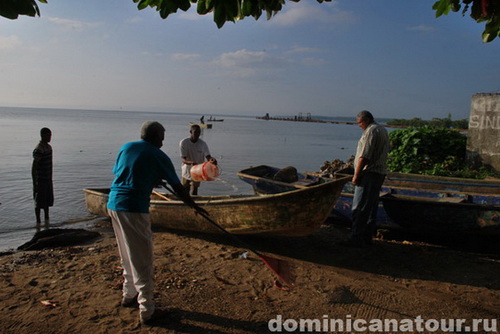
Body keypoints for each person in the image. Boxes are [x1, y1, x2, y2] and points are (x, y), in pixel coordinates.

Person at [107, 121, 205, 326]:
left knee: (127, 254)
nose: (163, 140)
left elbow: (123, 173)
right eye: (161, 136)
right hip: (133, 208)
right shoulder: (159, 156)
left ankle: (128, 295)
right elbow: (179, 189)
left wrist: (152, 178)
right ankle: (147, 310)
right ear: (153, 136)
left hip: (113, 205)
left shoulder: (126, 147)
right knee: (142, 259)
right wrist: (194, 206)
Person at [350, 110, 390, 246]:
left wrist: (356, 176)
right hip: (379, 173)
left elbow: (364, 156)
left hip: (368, 174)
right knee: (371, 207)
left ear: (366, 120)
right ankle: (367, 238)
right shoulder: (382, 130)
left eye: (359, 122)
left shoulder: (370, 131)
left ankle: (356, 238)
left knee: (359, 208)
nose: (358, 125)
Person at [179, 124, 217, 195]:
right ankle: (185, 203)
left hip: (198, 170)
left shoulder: (202, 144)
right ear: (190, 132)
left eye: (199, 132)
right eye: (195, 132)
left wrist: (212, 160)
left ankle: (194, 203)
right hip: (186, 170)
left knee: (194, 189)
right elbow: (183, 159)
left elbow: (208, 156)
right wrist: (191, 162)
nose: (197, 134)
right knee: (185, 189)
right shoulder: (184, 142)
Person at [32, 127, 53, 226]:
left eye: (50, 135)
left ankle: (47, 219)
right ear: (43, 136)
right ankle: (38, 222)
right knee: (39, 202)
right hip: (40, 180)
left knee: (47, 201)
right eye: (48, 135)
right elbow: (34, 167)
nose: (50, 137)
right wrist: (35, 182)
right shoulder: (39, 149)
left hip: (48, 179)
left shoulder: (49, 147)